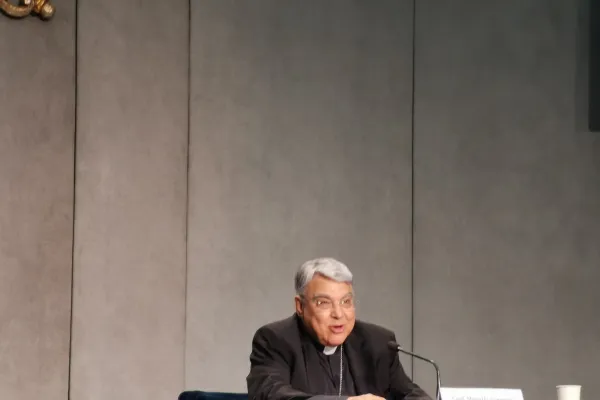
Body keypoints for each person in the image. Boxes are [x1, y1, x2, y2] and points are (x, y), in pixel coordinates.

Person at [246, 257, 432, 400]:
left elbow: (412, 395)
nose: (338, 314)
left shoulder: (378, 342)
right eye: (324, 303)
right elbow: (271, 395)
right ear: (300, 306)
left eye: (346, 302)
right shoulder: (275, 340)